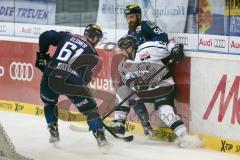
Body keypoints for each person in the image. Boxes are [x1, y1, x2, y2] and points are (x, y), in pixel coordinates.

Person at [113, 35, 202, 148]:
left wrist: (175, 48)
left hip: (163, 86)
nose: (124, 51)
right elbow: (129, 81)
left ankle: (184, 136)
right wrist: (136, 84)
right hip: (147, 90)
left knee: (165, 113)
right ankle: (118, 124)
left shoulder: (147, 48)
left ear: (133, 45)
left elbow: (167, 44)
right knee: (122, 91)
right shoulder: (123, 65)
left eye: (126, 47)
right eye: (122, 49)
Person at [35, 24, 108, 147]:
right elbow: (85, 80)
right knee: (91, 110)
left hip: (50, 76)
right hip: (71, 82)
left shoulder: (67, 35)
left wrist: (42, 54)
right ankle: (100, 136)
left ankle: (53, 130)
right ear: (95, 38)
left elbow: (45, 36)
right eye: (98, 39)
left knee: (49, 102)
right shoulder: (95, 56)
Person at [110, 3, 170, 136]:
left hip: (153, 70)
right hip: (139, 70)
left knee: (127, 89)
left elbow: (163, 38)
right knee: (126, 89)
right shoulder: (130, 33)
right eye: (128, 17)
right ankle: (129, 124)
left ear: (138, 16)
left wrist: (145, 50)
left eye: (132, 16)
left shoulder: (146, 25)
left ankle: (124, 123)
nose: (129, 20)